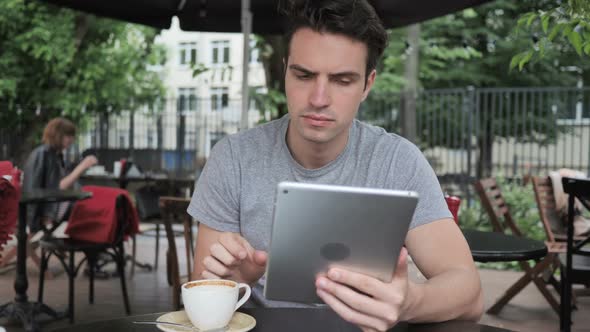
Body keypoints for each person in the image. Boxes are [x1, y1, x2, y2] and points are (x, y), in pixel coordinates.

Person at [188, 0, 483, 330]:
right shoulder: (234, 158)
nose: (318, 98)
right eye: (304, 75)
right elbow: (202, 294)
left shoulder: (398, 161)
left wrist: (410, 302)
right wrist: (231, 285)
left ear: (367, 85)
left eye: (342, 80)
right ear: (285, 70)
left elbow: (468, 292)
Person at [23, 117, 98, 233]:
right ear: (57, 135)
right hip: (46, 208)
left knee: (92, 208)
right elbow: (58, 187)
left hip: (51, 205)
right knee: (91, 213)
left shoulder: (54, 155)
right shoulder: (45, 154)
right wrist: (82, 166)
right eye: (68, 136)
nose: (72, 140)